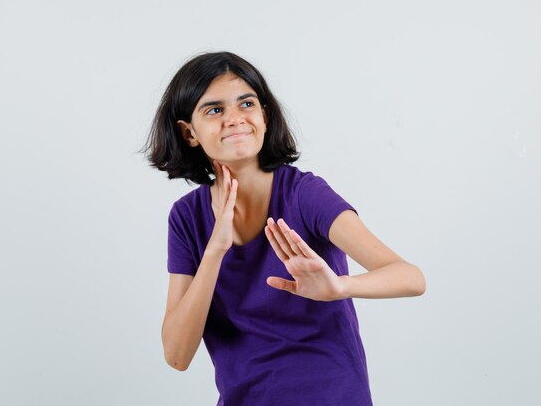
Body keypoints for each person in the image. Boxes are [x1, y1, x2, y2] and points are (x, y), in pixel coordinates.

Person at [141, 51, 426, 406]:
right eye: (214, 110)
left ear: (264, 114)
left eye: (246, 104)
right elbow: (177, 355)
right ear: (189, 133)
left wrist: (339, 287)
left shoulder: (305, 194)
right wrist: (215, 250)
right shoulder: (187, 217)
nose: (234, 119)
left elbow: (411, 277)